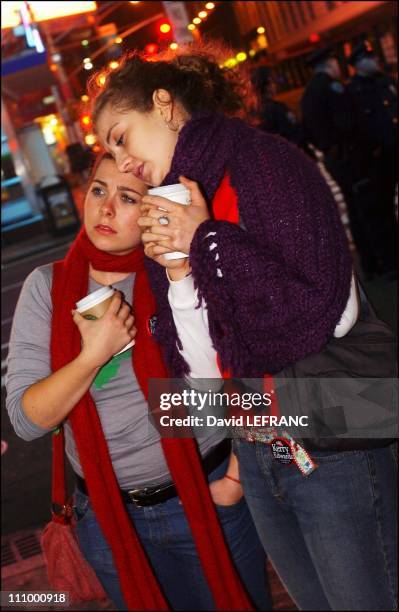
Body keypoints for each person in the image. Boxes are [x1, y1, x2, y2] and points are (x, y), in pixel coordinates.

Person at [89, 43, 398, 611]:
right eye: (107, 149)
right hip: (257, 453)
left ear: (163, 104)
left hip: (331, 439)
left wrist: (206, 241)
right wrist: (180, 276)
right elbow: (206, 385)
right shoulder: (176, 203)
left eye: (120, 136)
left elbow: (327, 311)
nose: (120, 158)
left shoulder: (264, 163)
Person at [5, 153, 271, 611]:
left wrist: (236, 478)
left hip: (209, 499)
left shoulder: (179, 271)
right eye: (98, 190)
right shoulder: (47, 287)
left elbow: (247, 374)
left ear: (154, 208)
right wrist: (94, 353)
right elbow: (28, 420)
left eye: (127, 197)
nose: (105, 209)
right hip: (108, 522)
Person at [300, 46, 378, 278]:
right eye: (335, 63)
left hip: (332, 156)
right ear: (330, 64)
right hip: (347, 155)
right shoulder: (331, 88)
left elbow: (307, 131)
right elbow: (348, 122)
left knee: (353, 205)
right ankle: (375, 259)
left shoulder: (309, 92)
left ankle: (369, 261)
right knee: (364, 206)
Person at [346, 41, 398, 276]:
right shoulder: (354, 91)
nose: (375, 60)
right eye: (369, 57)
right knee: (384, 211)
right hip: (380, 160)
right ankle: (391, 260)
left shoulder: (386, 81)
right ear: (358, 64)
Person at [250, 65, 302, 144]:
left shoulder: (253, 112)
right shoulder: (277, 108)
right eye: (273, 82)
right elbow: (294, 133)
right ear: (268, 86)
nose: (275, 86)